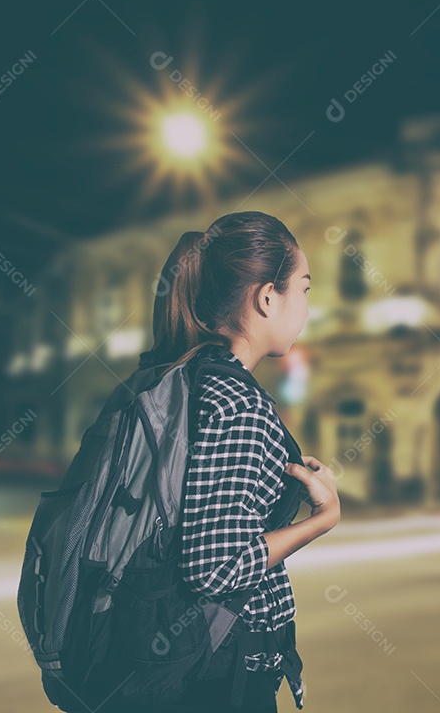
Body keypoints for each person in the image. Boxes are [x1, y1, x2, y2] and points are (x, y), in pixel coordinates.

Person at [124, 211, 340, 712]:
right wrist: (323, 520)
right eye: (303, 289)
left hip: (171, 658)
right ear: (268, 297)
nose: (306, 305)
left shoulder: (180, 377)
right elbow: (216, 569)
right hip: (218, 669)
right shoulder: (237, 402)